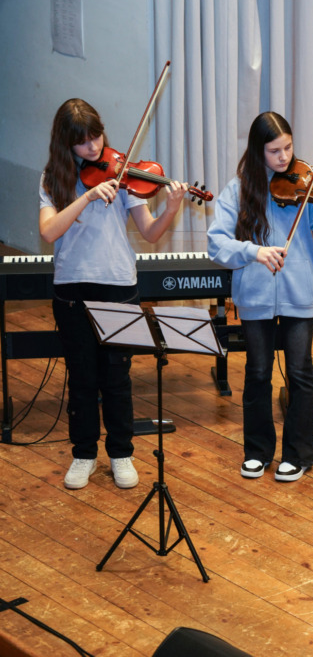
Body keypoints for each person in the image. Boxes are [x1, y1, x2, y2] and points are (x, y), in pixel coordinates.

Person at [207, 111, 313, 482]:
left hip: (299, 292)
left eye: (287, 147)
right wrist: (254, 252)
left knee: (300, 372)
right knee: (257, 372)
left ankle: (298, 455)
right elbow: (216, 243)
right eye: (274, 151)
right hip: (254, 296)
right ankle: (257, 451)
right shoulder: (237, 190)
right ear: (258, 151)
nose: (283, 157)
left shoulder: (305, 187)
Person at [39, 98, 188, 490]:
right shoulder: (53, 178)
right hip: (71, 289)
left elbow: (151, 233)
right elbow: (49, 231)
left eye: (97, 137)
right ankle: (84, 455)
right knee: (82, 379)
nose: (93, 147)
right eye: (83, 141)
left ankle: (121, 454)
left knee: (117, 378)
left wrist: (171, 208)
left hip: (118, 286)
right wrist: (86, 196)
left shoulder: (122, 172)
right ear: (66, 143)